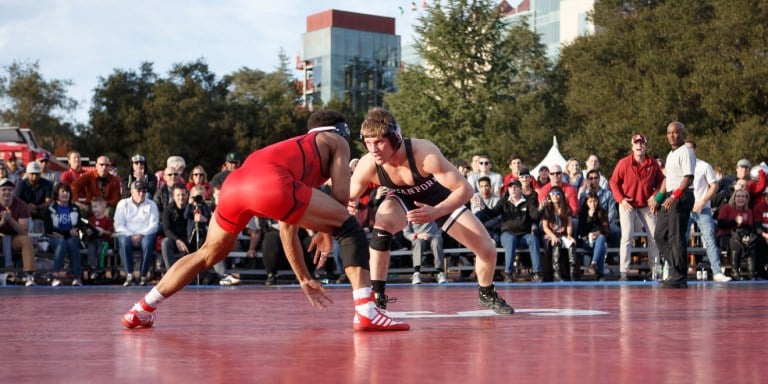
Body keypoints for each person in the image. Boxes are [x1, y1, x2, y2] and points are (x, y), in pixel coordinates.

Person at [121, 109, 409, 331]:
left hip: (237, 186)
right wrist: (329, 229)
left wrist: (304, 277)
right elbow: (343, 196)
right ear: (342, 131)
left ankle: (141, 309)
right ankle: (367, 312)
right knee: (352, 229)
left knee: (207, 253)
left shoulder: (299, 150)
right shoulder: (336, 140)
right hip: (271, 184)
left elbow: (288, 227)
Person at [349, 107, 513, 314]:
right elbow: (347, 195)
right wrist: (348, 205)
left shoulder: (423, 153)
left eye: (379, 142)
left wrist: (436, 211)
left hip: (438, 198)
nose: (374, 149)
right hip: (401, 198)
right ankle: (378, 295)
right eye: (368, 143)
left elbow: (466, 189)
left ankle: (486, 291)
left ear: (395, 137)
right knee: (382, 222)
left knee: (487, 249)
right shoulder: (367, 164)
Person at [609, 133, 664, 281]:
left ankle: (655, 271)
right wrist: (621, 200)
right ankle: (624, 272)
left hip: (647, 203)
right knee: (627, 236)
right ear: (632, 146)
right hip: (628, 204)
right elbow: (613, 182)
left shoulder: (653, 163)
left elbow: (662, 182)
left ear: (646, 146)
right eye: (636, 143)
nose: (639, 146)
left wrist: (656, 197)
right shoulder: (623, 163)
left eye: (642, 143)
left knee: (654, 236)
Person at [651, 121, 696, 289]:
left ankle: (679, 275)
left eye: (676, 132)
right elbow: (667, 179)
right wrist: (659, 198)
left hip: (681, 195)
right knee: (660, 235)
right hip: (670, 195)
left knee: (676, 237)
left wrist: (674, 196)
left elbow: (688, 177)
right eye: (669, 133)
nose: (672, 136)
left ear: (682, 133)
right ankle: (678, 268)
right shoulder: (671, 154)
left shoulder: (686, 152)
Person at [684, 140, 731, 282]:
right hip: (685, 208)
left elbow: (714, 186)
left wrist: (703, 201)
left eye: (690, 149)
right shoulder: (680, 166)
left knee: (709, 238)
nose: (688, 152)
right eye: (685, 149)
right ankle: (677, 271)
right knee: (680, 240)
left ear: (694, 150)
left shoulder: (704, 166)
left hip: (702, 207)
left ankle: (716, 272)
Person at [482, 179, 542, 283]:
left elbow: (535, 216)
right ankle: (508, 273)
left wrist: (542, 208)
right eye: (511, 187)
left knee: (533, 239)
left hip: (524, 235)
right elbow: (492, 213)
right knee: (511, 239)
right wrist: (483, 206)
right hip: (507, 234)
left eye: (516, 187)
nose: (513, 189)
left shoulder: (528, 202)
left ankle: (537, 273)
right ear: (508, 190)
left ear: (520, 189)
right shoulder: (504, 202)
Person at [189, 184, 240, 286]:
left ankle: (223, 275)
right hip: (190, 239)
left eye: (201, 196)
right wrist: (191, 204)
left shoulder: (208, 207)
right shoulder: (188, 207)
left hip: (205, 237)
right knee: (212, 248)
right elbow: (186, 216)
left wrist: (206, 220)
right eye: (196, 196)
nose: (199, 199)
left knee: (214, 247)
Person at [114, 180, 160, 286]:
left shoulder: (151, 204)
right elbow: (118, 225)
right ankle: (129, 275)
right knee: (123, 240)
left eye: (144, 191)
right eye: (138, 190)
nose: (141, 193)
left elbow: (154, 225)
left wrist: (141, 235)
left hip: (144, 235)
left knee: (148, 242)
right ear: (132, 191)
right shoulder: (122, 204)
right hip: (127, 234)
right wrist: (130, 235)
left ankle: (143, 275)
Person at [43, 183, 84, 286]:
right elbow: (49, 230)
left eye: (67, 192)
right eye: (63, 191)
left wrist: (74, 232)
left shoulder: (75, 208)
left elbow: (80, 226)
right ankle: (56, 276)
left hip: (71, 238)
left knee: (71, 243)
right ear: (57, 194)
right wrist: (67, 233)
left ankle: (76, 277)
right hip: (54, 240)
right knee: (61, 242)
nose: (66, 194)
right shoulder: (50, 209)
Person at [0, 178, 36, 286]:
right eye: (4, 189)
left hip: (15, 239)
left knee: (26, 240)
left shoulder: (21, 205)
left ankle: (29, 275)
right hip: (0, 238)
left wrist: (10, 219)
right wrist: (2, 223)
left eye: (10, 190)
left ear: (13, 191)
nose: (7, 192)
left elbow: (24, 231)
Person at [540, 186, 579, 281]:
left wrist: (569, 235)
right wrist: (553, 236)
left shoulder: (566, 208)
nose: (555, 196)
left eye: (557, 193)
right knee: (556, 243)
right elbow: (545, 227)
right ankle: (556, 274)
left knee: (571, 244)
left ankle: (572, 273)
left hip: (563, 234)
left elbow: (569, 224)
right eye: (552, 193)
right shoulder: (547, 209)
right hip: (550, 235)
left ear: (561, 195)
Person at [717, 189, 757, 280]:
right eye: (738, 196)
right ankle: (734, 271)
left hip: (742, 235)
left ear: (747, 199)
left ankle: (751, 273)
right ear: (734, 198)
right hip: (726, 235)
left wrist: (741, 226)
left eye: (743, 196)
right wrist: (734, 222)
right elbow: (721, 224)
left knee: (753, 242)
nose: (740, 198)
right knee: (735, 240)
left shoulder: (748, 211)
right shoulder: (727, 207)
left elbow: (750, 227)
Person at [577, 191, 609, 281]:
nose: (593, 204)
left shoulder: (602, 212)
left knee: (602, 238)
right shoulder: (583, 213)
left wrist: (598, 232)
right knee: (602, 245)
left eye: (595, 201)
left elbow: (606, 229)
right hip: (585, 240)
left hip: (598, 240)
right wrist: (590, 217)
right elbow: (581, 231)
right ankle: (600, 274)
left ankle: (593, 264)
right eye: (590, 201)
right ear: (586, 202)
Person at [83, 197, 113, 282]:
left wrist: (103, 231)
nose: (93, 209)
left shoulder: (107, 220)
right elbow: (86, 230)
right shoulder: (91, 219)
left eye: (95, 207)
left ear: (103, 207)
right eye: (92, 207)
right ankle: (93, 269)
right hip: (93, 240)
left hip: (104, 240)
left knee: (100, 251)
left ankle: (100, 270)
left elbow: (110, 233)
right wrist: (89, 231)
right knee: (91, 250)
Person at [161, 184, 190, 270]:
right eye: (178, 195)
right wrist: (177, 240)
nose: (181, 197)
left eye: (183, 195)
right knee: (165, 242)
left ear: (187, 195)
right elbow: (166, 229)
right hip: (175, 240)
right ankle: (171, 273)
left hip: (189, 239)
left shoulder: (191, 208)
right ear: (173, 196)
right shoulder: (167, 210)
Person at [470, 176, 501, 243]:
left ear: (490, 186)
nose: (484, 188)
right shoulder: (476, 197)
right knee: (480, 214)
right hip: (480, 222)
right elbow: (476, 215)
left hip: (491, 225)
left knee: (497, 238)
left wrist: (483, 226)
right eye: (481, 186)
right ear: (479, 188)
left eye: (486, 186)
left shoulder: (497, 199)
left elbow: (496, 218)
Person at [752, 187, 768, 280]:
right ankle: (760, 273)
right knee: (759, 242)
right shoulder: (759, 207)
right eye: (767, 195)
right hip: (763, 234)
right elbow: (757, 226)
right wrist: (766, 235)